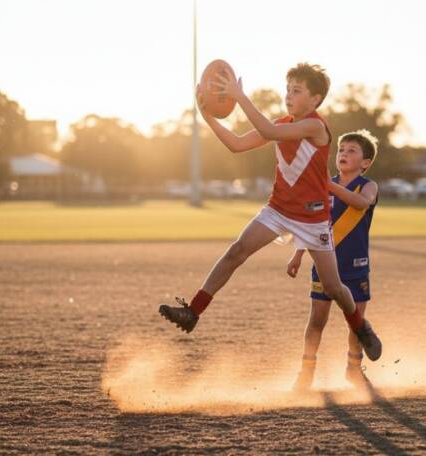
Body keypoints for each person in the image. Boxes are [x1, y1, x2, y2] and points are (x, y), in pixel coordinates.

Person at [158, 63, 382, 361]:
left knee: (333, 287)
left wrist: (239, 96)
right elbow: (237, 145)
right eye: (287, 89)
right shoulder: (281, 122)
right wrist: (207, 115)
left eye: (297, 91)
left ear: (315, 99)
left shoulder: (316, 126)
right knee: (237, 251)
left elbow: (269, 131)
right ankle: (193, 312)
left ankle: (359, 325)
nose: (288, 95)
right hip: (278, 209)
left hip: (313, 218)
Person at [287, 130, 380, 390]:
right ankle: (306, 370)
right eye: (341, 150)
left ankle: (353, 369)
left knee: (356, 320)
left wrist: (328, 185)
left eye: (352, 151)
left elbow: (361, 203)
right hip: (324, 265)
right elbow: (312, 223)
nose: (344, 154)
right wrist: (298, 253)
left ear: (365, 162)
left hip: (356, 265)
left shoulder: (368, 185)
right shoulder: (323, 186)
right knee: (317, 319)